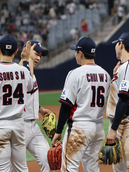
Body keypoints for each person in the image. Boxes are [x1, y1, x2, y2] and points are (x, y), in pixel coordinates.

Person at [52, 36, 111, 171]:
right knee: (91, 166)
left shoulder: (75, 73)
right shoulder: (105, 74)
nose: (75, 55)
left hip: (80, 128)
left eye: (76, 51)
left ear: (81, 53)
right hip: (98, 127)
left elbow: (66, 105)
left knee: (69, 167)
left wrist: (59, 130)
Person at [105, 32, 129, 171]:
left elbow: (124, 99)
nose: (116, 47)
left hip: (128, 123)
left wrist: (113, 129)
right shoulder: (124, 68)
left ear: (121, 45)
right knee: (119, 169)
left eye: (117, 44)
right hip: (119, 122)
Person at [0, 35, 33, 172]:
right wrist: (24, 60)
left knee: (3, 168)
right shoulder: (24, 71)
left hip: (1, 124)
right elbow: (30, 87)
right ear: (16, 51)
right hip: (18, 124)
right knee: (21, 167)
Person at [19, 40, 52, 172]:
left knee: (48, 161)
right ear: (26, 51)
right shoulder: (20, 72)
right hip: (20, 127)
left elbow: (27, 97)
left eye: (40, 55)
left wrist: (40, 109)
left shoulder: (31, 73)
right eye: (36, 53)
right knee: (15, 167)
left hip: (33, 126)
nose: (38, 57)